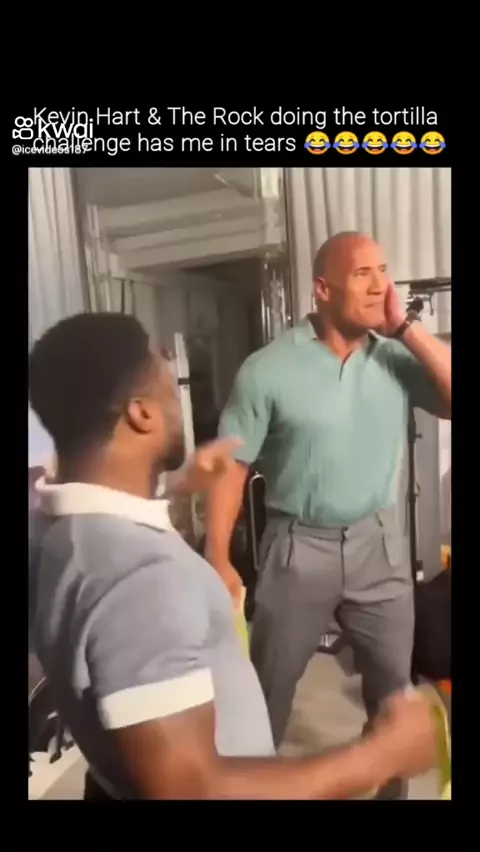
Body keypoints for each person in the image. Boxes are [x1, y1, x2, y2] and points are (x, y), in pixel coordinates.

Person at [29, 312, 437, 800]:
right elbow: (192, 791)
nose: (181, 401)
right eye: (167, 383)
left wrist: (175, 488)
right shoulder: (142, 579)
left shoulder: (51, 528)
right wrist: (380, 756)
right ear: (141, 415)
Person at [205, 232, 451, 797]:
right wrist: (216, 555)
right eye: (363, 273)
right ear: (322, 288)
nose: (380, 284)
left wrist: (407, 330)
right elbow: (230, 468)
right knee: (265, 695)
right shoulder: (266, 370)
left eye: (383, 270)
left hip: (379, 545)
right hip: (297, 549)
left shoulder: (394, 357)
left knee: (393, 700)